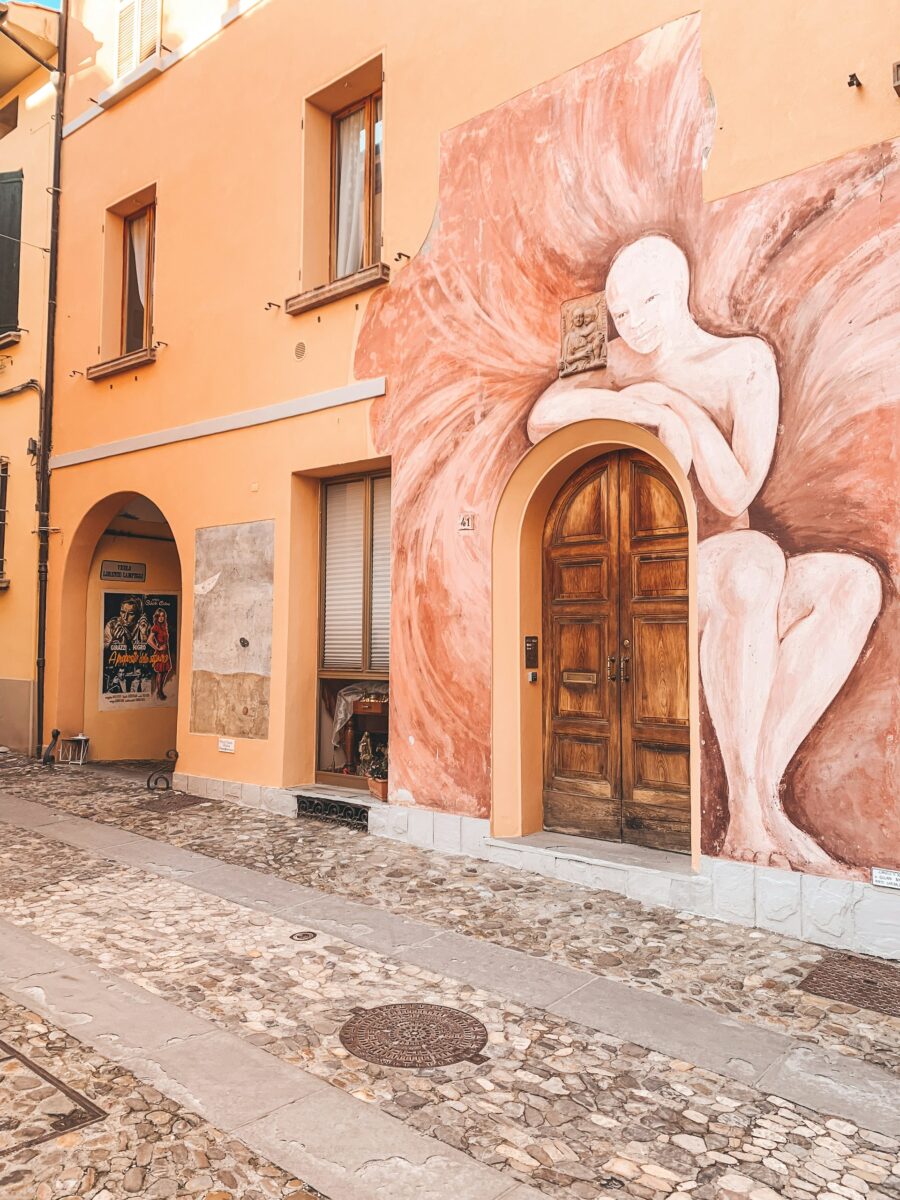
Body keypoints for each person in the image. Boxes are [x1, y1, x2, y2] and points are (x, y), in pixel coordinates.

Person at [527, 235, 881, 870]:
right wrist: (634, 404)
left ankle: (758, 798)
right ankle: (749, 818)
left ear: (678, 292)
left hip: (728, 548)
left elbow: (735, 487)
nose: (629, 323)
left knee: (851, 584)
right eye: (618, 310)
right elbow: (543, 415)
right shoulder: (618, 362)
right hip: (662, 564)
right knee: (754, 564)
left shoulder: (741, 363)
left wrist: (680, 410)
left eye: (643, 305)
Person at [147, 607, 174, 700]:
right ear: (156, 617)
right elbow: (149, 640)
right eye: (159, 616)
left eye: (163, 616)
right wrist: (158, 647)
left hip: (166, 652)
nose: (161, 618)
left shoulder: (164, 626)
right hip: (161, 652)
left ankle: (160, 690)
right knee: (160, 672)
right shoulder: (156, 627)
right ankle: (159, 692)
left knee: (165, 671)